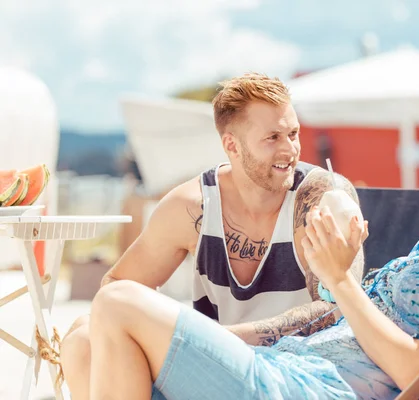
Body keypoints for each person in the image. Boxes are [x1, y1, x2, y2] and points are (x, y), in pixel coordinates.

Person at [85, 99, 419, 400]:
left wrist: (339, 278)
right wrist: (233, 337)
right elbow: (338, 317)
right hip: (289, 364)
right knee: (85, 343)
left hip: (309, 389)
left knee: (117, 303)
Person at [59, 73, 365, 398]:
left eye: (293, 133)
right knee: (81, 338)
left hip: (296, 374)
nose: (290, 149)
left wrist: (214, 339)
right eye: (272, 137)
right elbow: (116, 290)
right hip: (216, 376)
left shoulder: (320, 198)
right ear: (232, 145)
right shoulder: (192, 206)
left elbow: (337, 307)